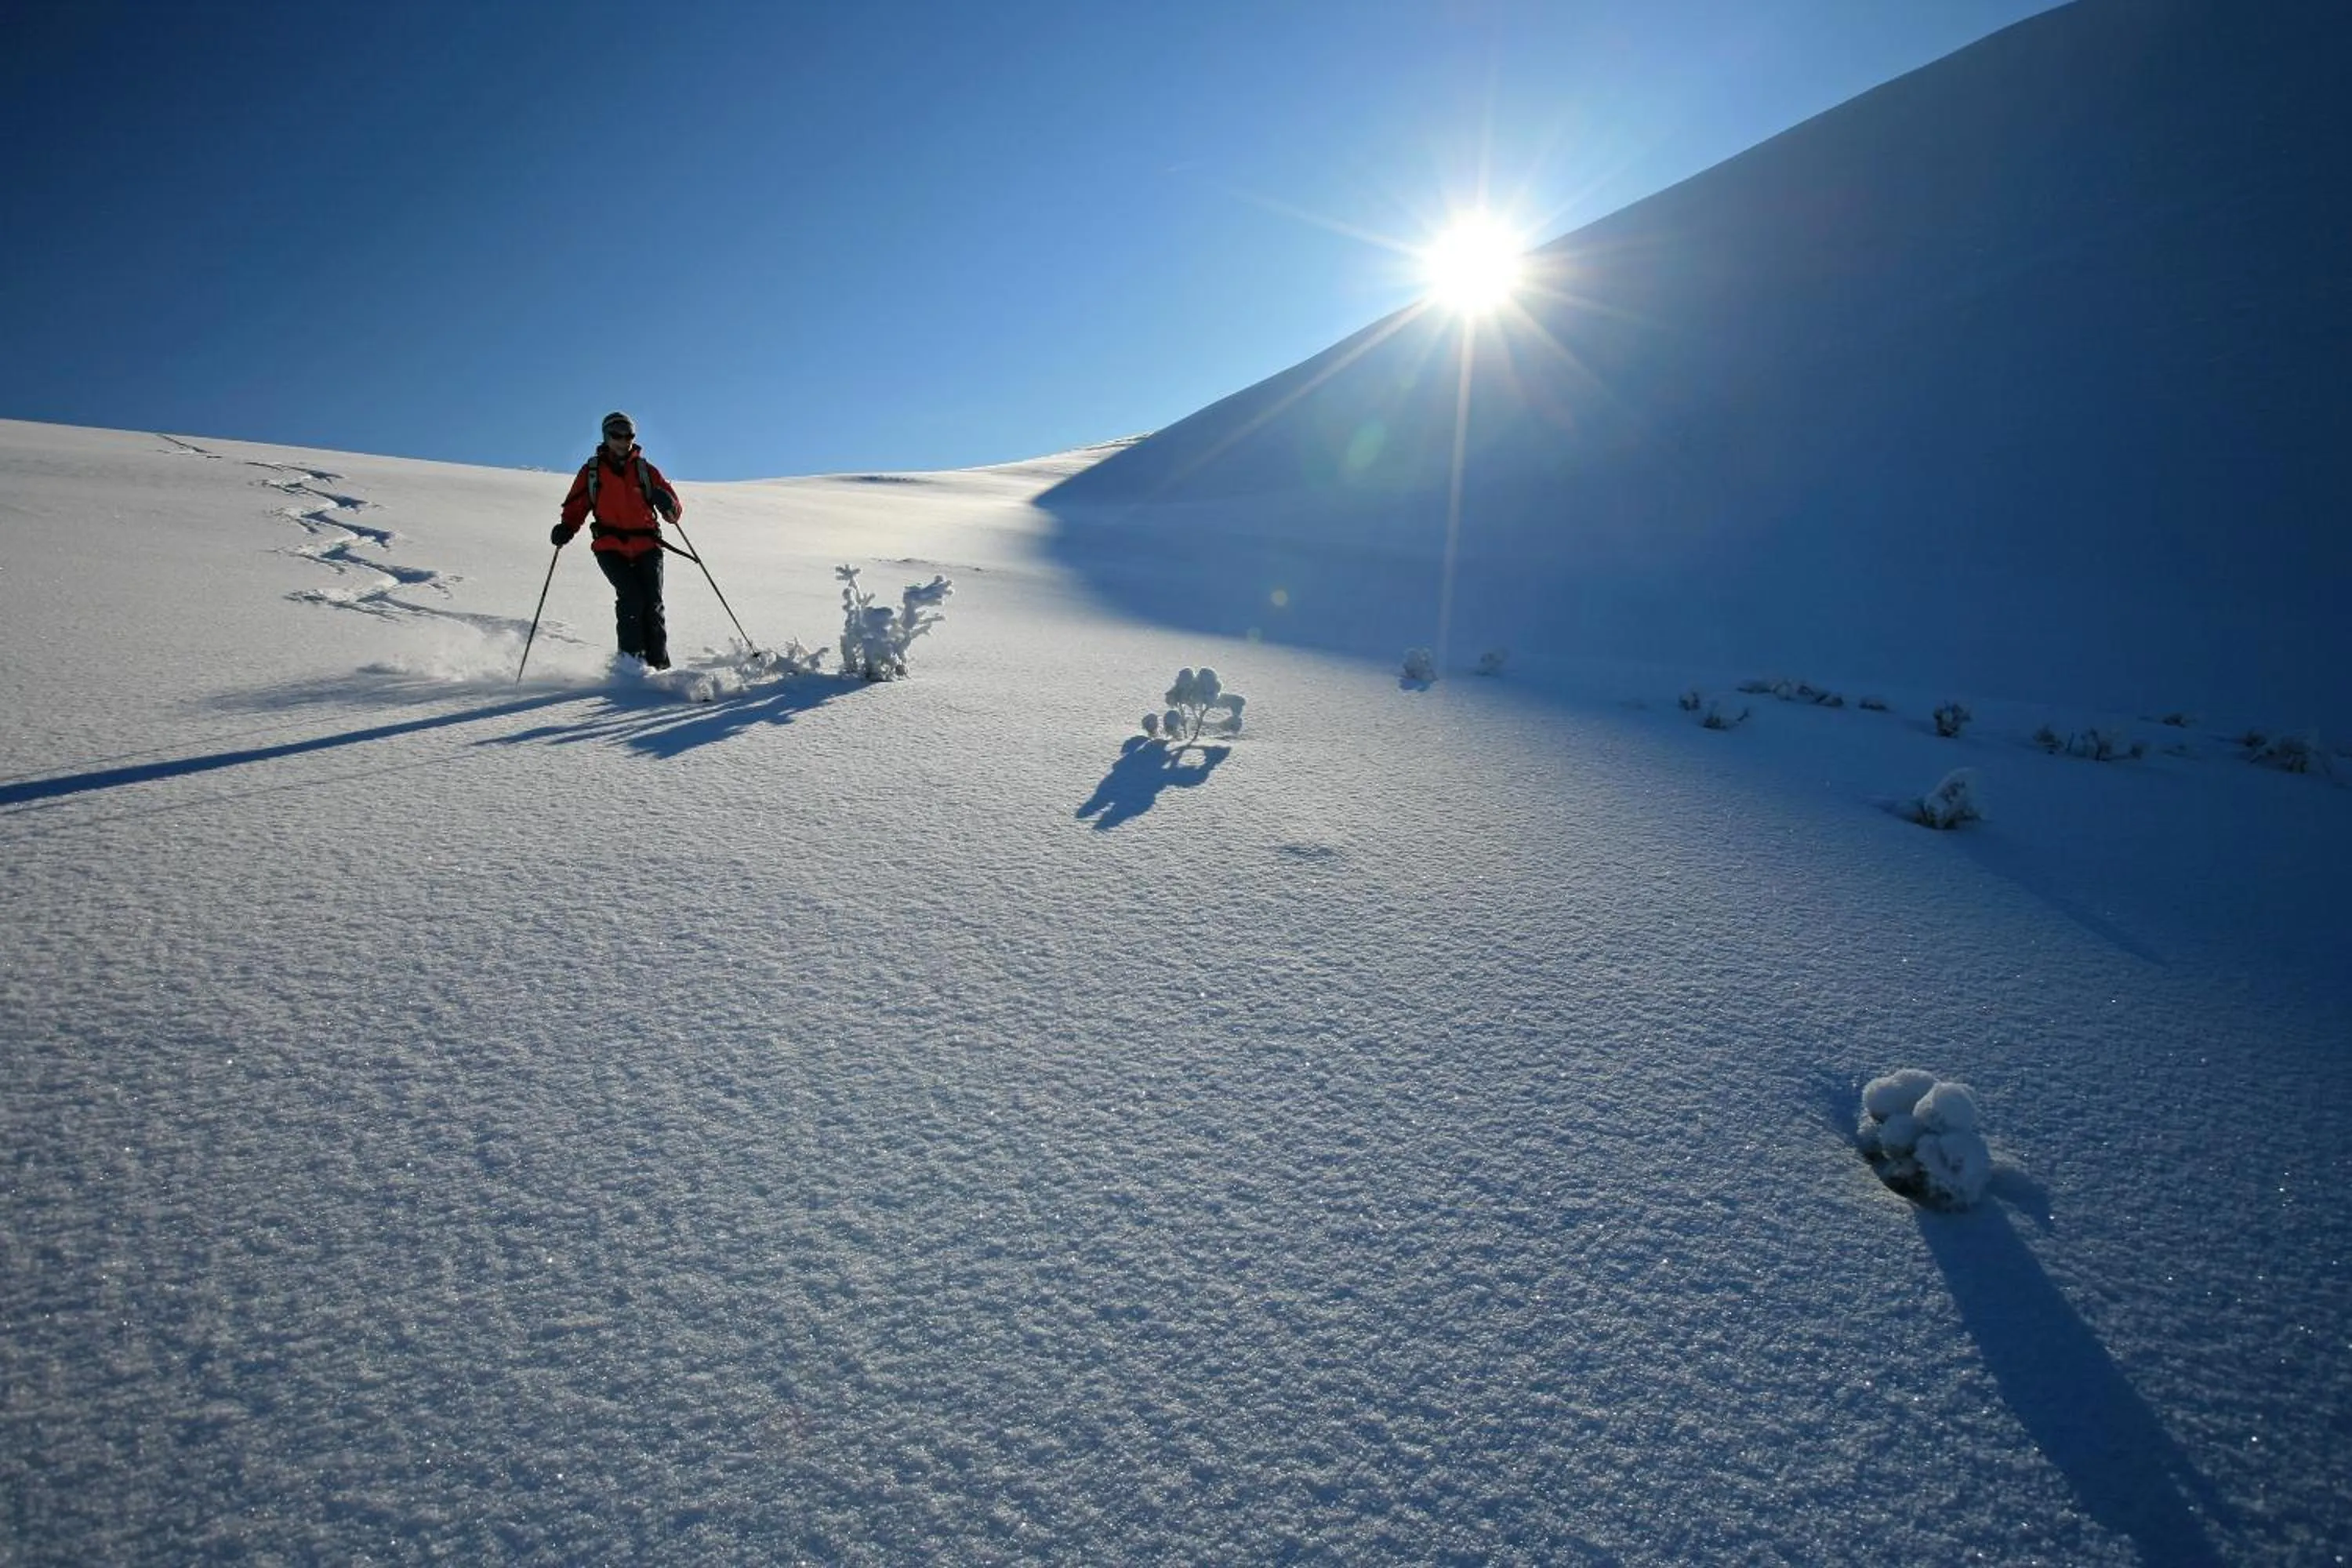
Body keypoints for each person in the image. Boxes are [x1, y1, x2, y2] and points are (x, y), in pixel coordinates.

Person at [554, 411, 684, 670]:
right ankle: (631, 666)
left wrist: (668, 503)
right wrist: (566, 527)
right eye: (617, 435)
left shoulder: (646, 471)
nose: (624, 440)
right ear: (606, 436)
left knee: (653, 603)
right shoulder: (592, 471)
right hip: (610, 547)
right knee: (632, 599)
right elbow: (577, 506)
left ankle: (658, 666)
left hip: (648, 546)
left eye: (629, 435)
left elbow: (674, 514)